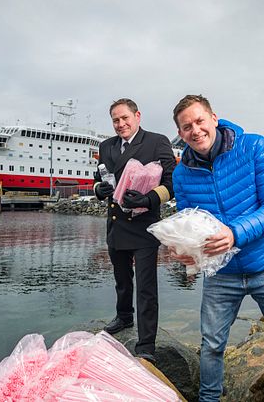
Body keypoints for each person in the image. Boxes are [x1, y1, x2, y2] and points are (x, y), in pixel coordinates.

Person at [170, 94, 264, 400]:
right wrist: (184, 248)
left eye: (199, 121)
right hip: (222, 273)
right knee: (212, 344)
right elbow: (188, 221)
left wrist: (235, 233)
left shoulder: (254, 146)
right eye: (186, 126)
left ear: (214, 119)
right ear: (180, 134)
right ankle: (209, 398)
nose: (195, 130)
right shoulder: (181, 173)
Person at [94, 98, 176, 363]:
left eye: (125, 118)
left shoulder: (156, 141)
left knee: (146, 287)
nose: (120, 124)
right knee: (121, 277)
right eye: (115, 120)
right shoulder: (105, 146)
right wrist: (99, 190)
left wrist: (148, 199)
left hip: (143, 224)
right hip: (116, 222)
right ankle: (124, 316)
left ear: (137, 116)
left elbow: (172, 181)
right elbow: (99, 178)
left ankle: (146, 344)